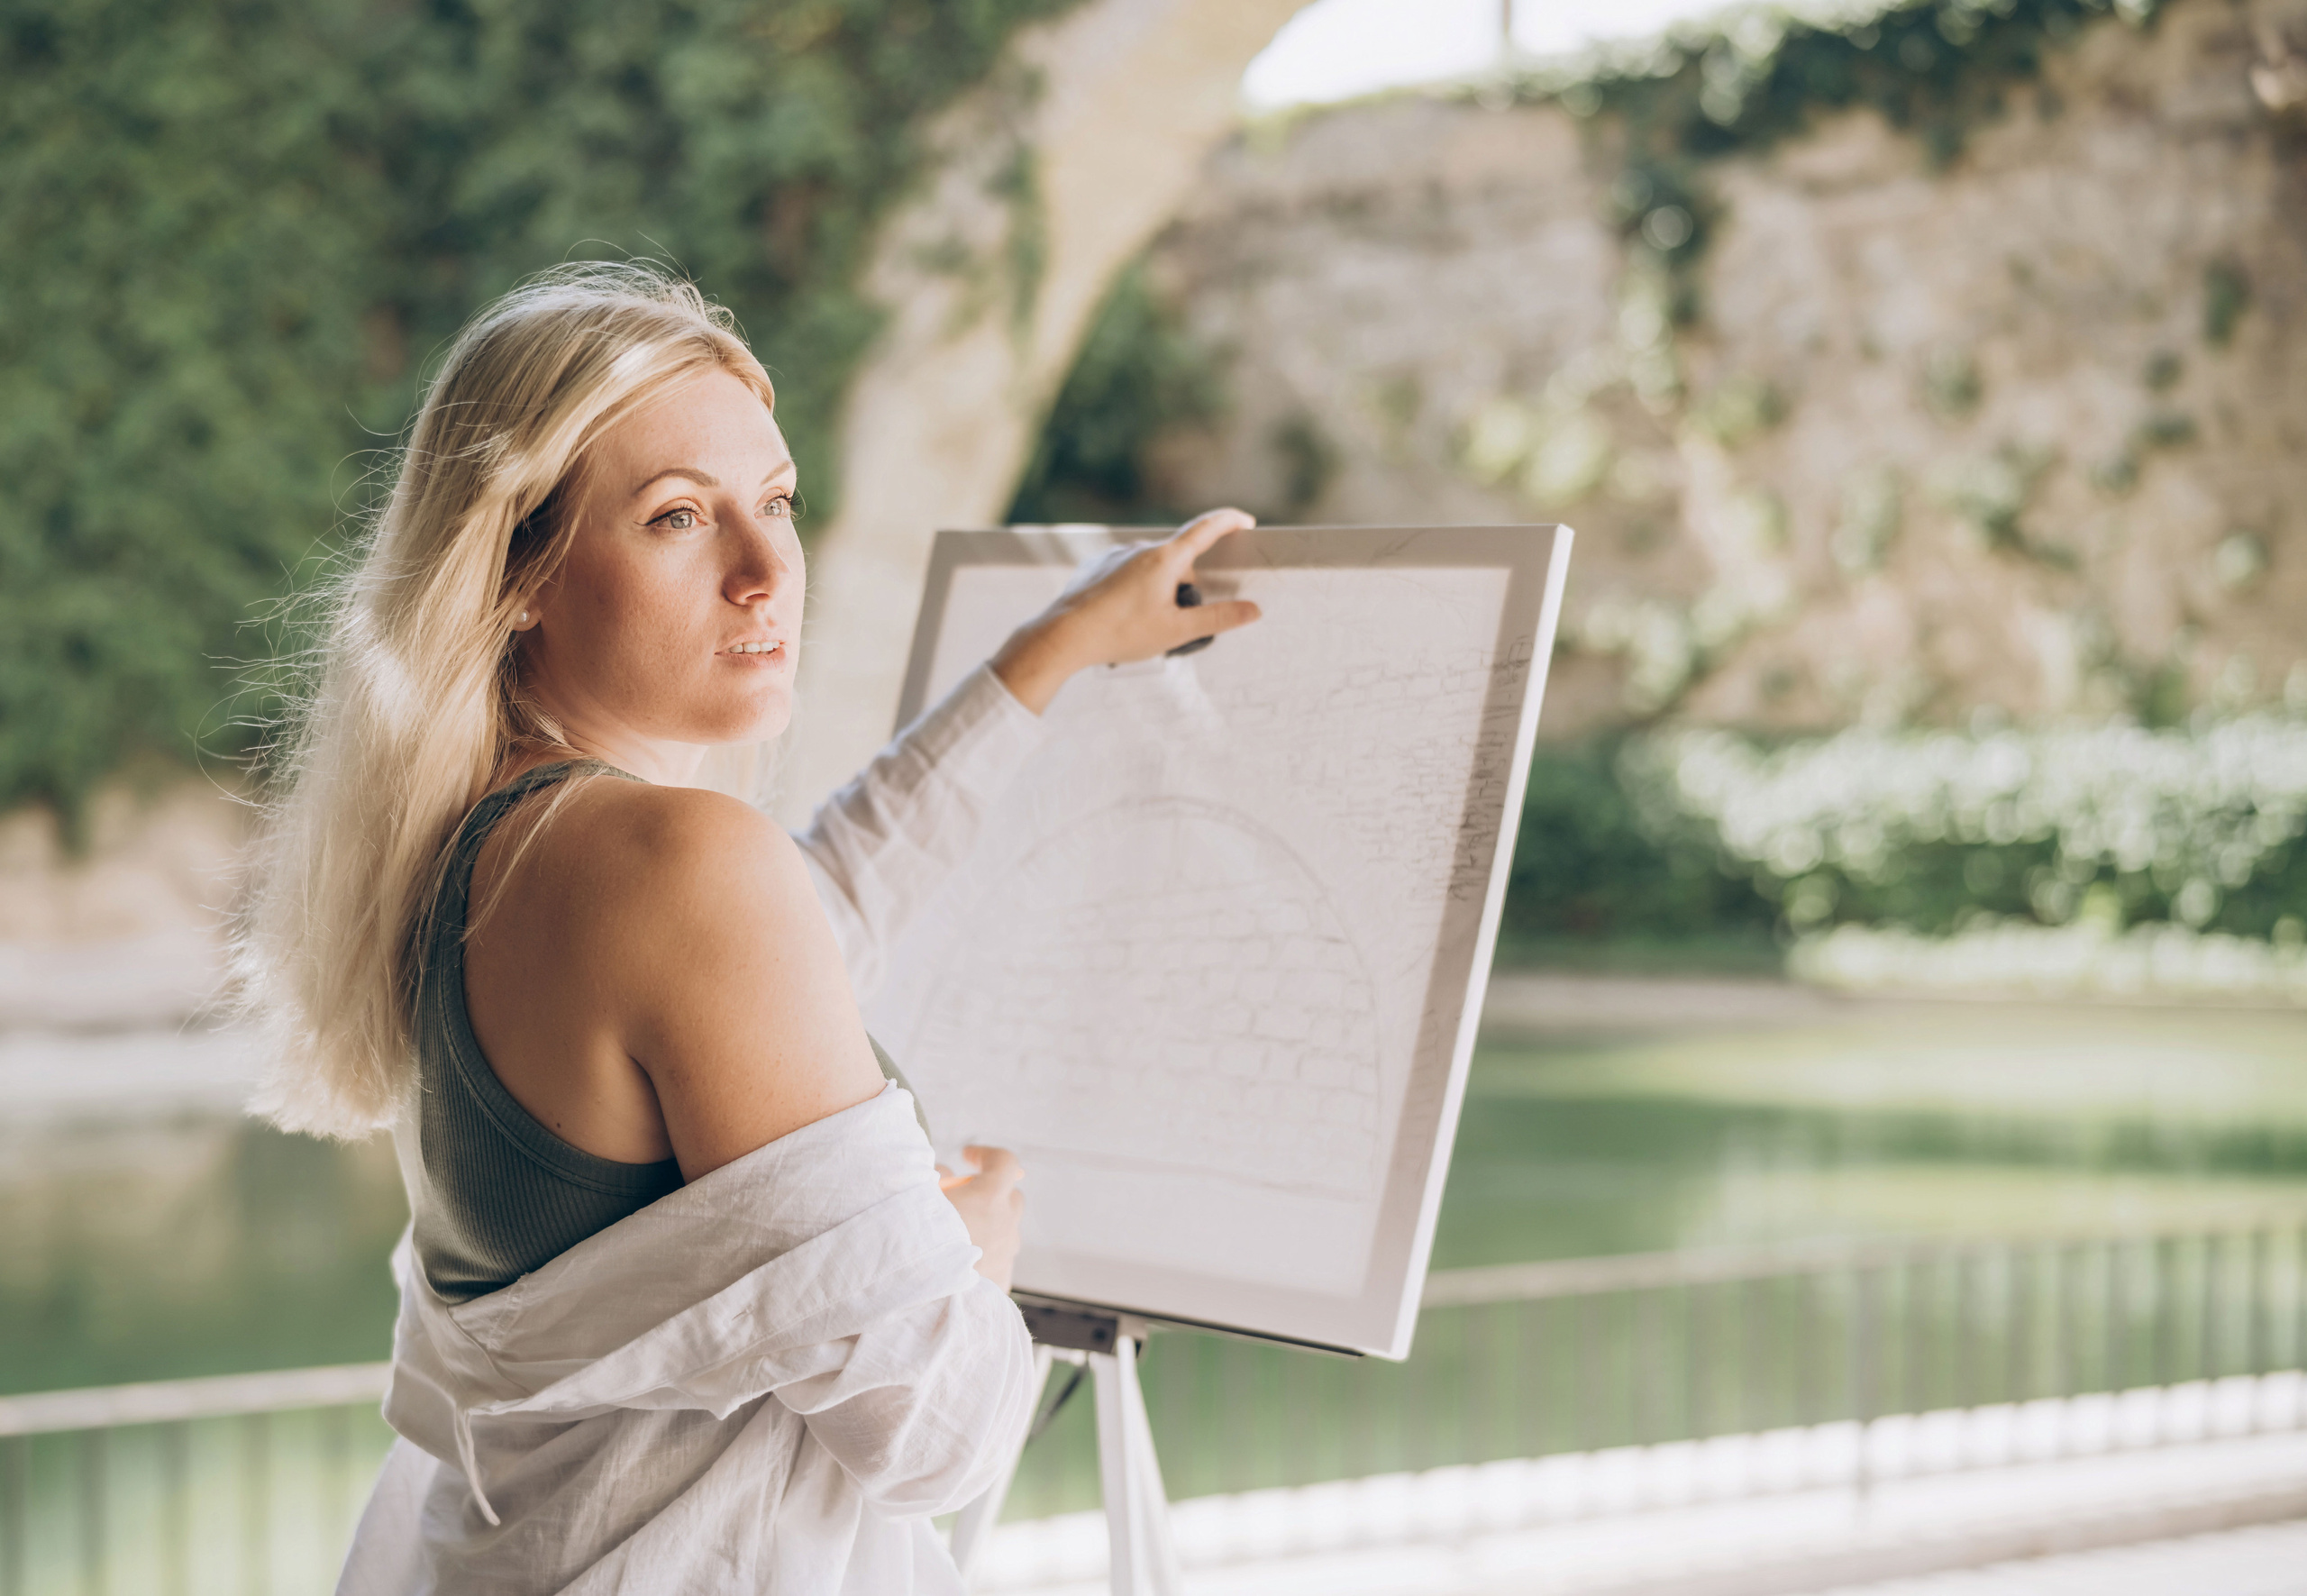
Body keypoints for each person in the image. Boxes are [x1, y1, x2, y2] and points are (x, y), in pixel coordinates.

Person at [233, 262, 1259, 1594]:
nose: (769, 571)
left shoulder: (466, 844)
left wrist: (1047, 656)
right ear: (520, 570)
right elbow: (940, 1435)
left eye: (776, 503)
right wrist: (972, 1244)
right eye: (677, 519)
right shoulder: (673, 862)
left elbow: (818, 913)